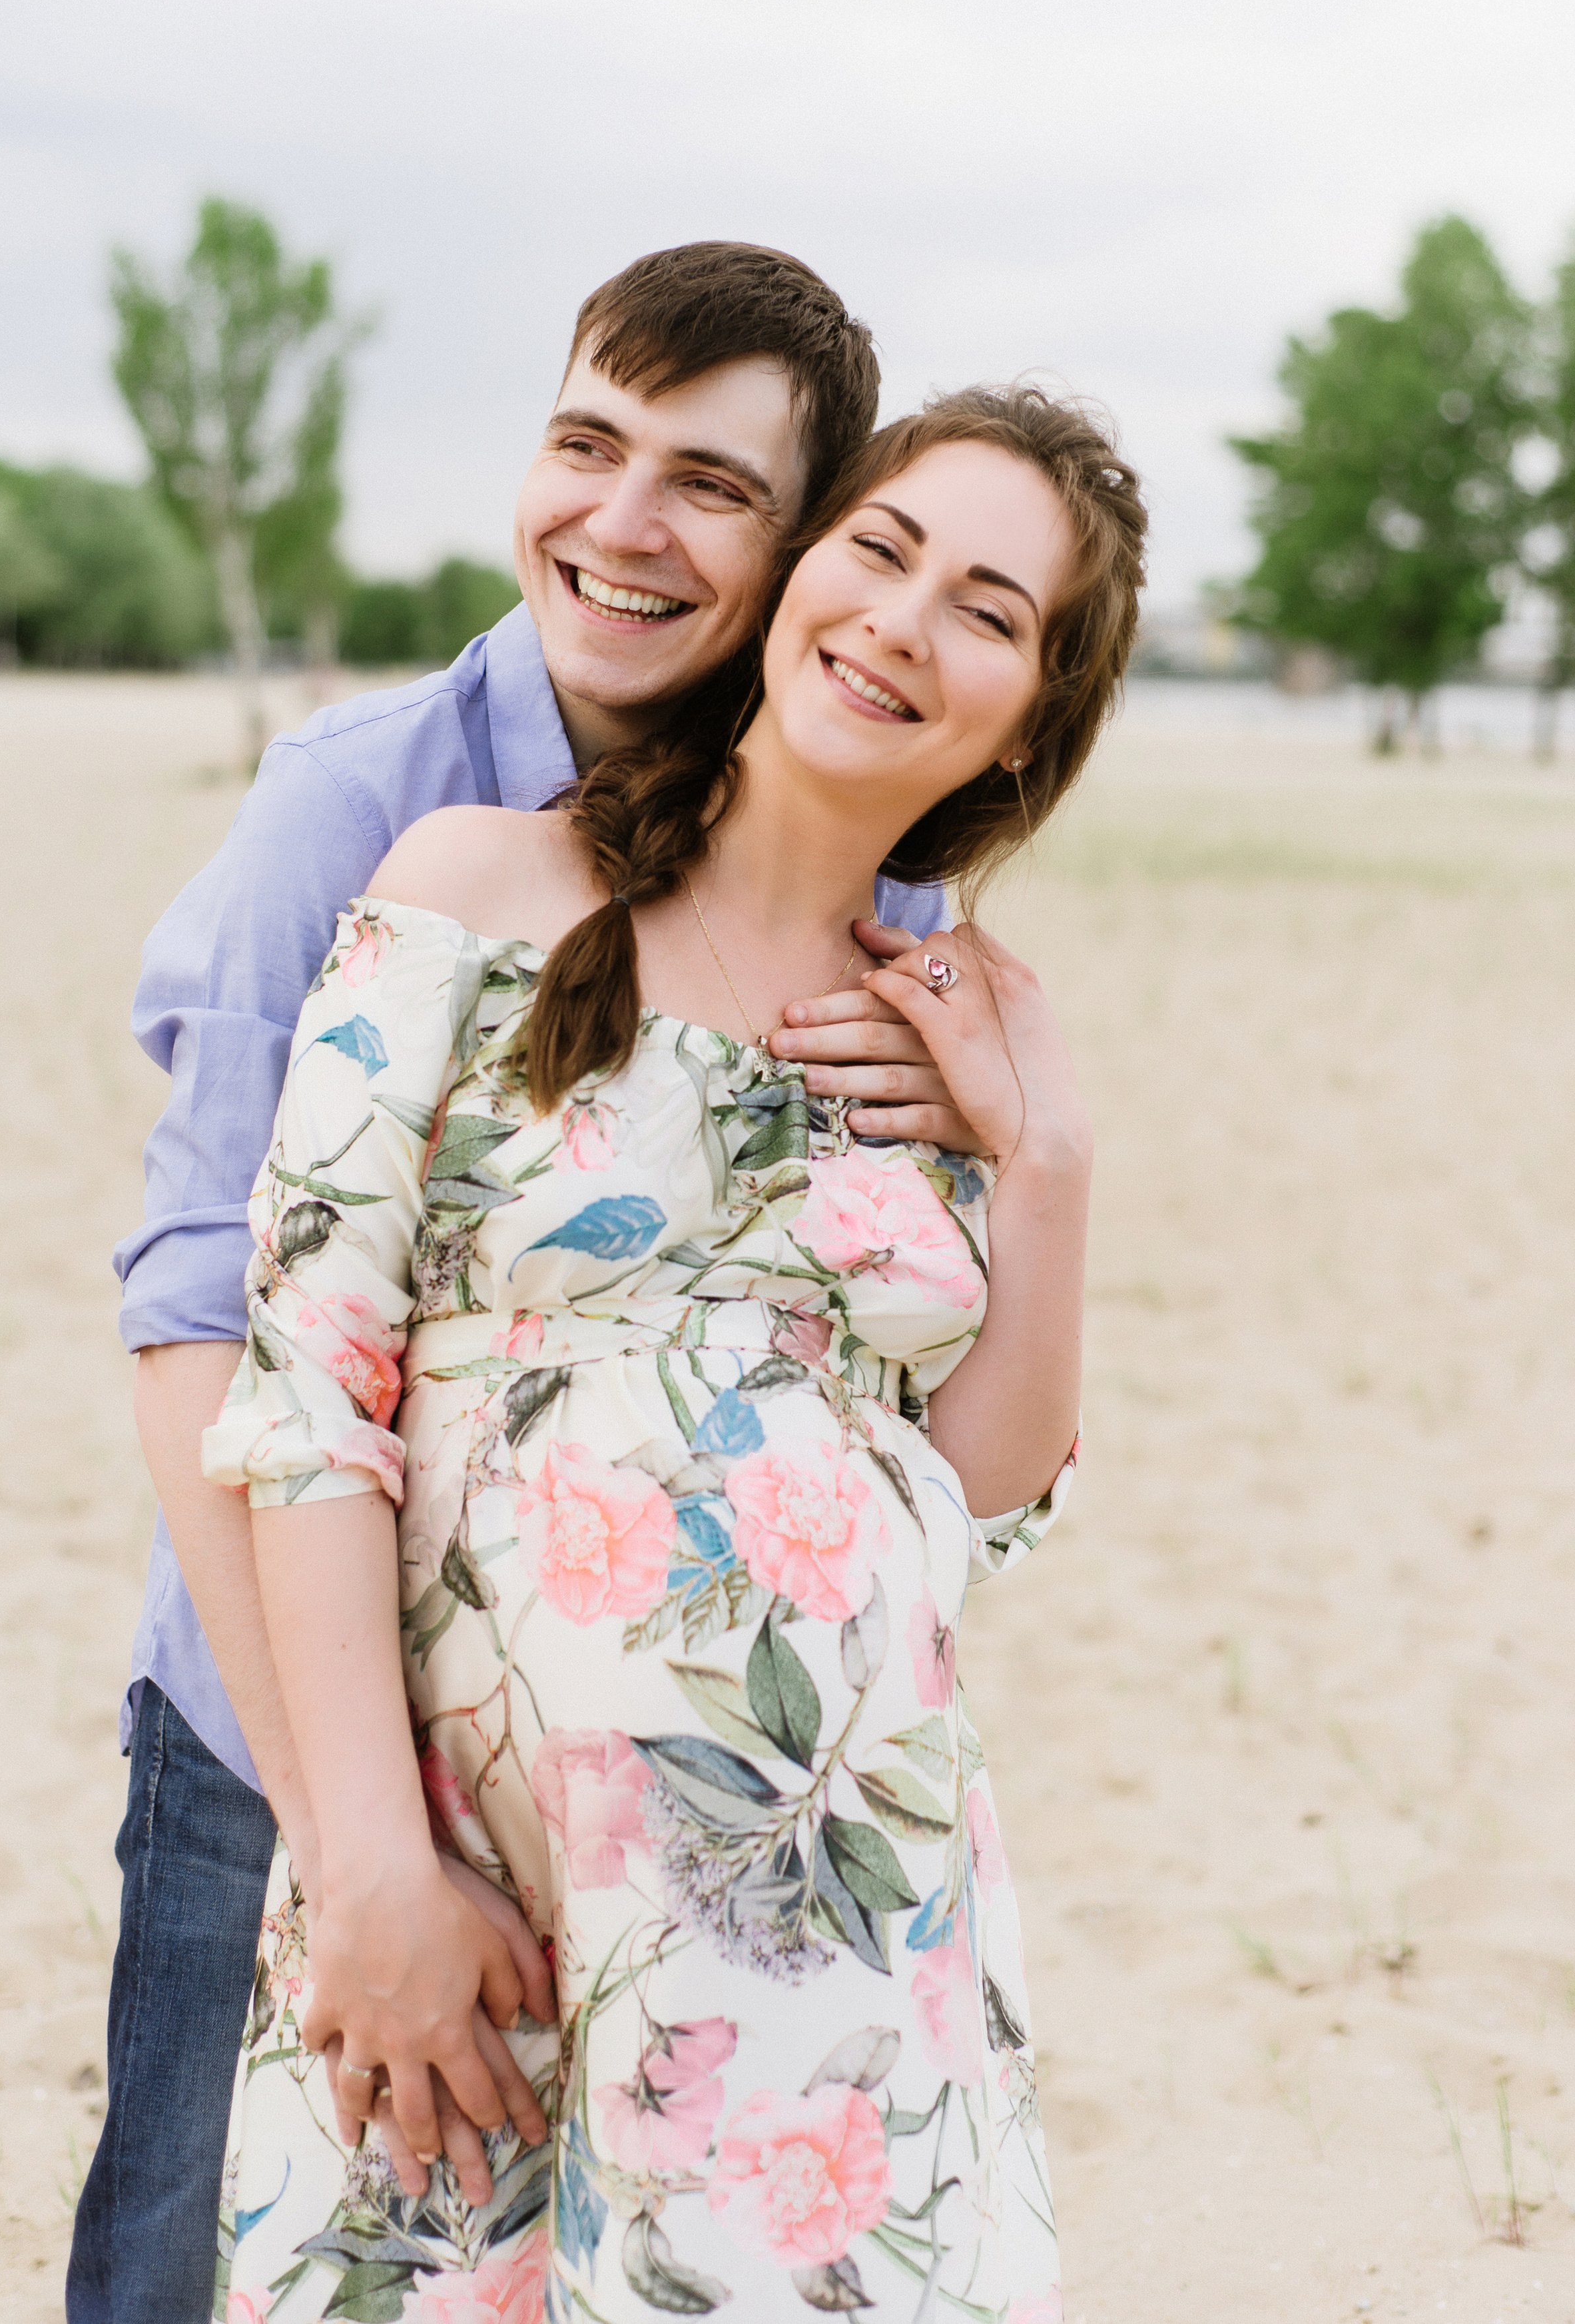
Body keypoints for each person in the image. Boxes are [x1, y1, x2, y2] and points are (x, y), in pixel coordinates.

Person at [73, 243, 985, 2323]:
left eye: (711, 484)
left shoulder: (881, 890)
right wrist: (357, 1842)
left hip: (658, 1806)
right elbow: (203, 1320)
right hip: (284, 1735)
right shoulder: (360, 803)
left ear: (806, 548)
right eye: (588, 444)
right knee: (183, 2258)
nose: (623, 522)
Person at [204, 384, 1147, 2319]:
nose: (900, 618)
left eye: (988, 607)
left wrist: (1041, 1160)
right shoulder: (479, 886)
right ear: (797, 574)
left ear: (1033, 713)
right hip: (477, 1889)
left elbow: (980, 1494)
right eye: (880, 549)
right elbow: (306, 1397)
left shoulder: (948, 1022)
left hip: (846, 1904)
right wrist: (368, 1858)